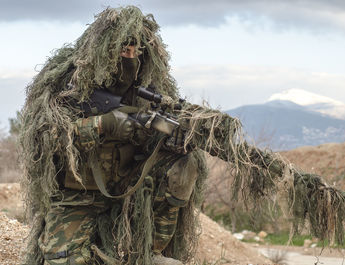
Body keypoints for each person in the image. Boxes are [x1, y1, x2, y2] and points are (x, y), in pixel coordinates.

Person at [21, 6, 206, 265]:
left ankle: (150, 252)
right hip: (78, 195)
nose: (129, 58)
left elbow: (161, 137)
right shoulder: (68, 85)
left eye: (135, 52)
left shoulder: (148, 90)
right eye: (123, 50)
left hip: (128, 190)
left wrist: (172, 140)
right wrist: (102, 124)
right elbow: (44, 140)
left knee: (186, 163)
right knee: (62, 259)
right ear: (104, 50)